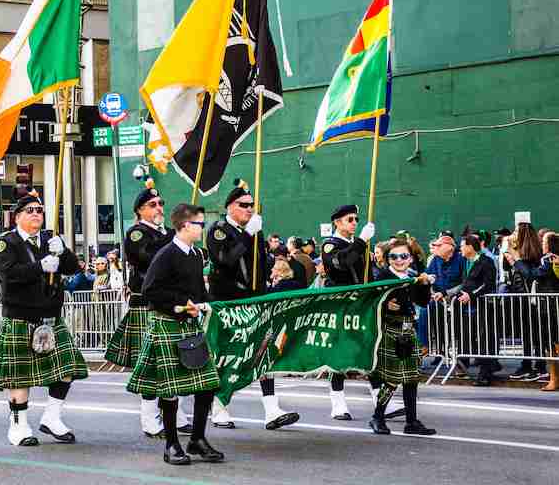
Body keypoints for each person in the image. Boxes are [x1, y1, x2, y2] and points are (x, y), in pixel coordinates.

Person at [0, 189, 88, 446]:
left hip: (51, 315)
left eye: (40, 210)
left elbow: (74, 268)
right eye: (30, 210)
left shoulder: (50, 239)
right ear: (17, 217)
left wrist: (63, 252)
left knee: (68, 368)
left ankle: (52, 417)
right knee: (21, 376)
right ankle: (18, 426)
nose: (37, 214)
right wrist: (39, 266)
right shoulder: (6, 242)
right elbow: (8, 273)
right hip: (22, 315)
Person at [127, 203, 224, 466]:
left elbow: (196, 290)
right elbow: (150, 290)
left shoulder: (195, 255)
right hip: (167, 323)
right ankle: (171, 444)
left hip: (189, 325)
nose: (203, 229)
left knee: (207, 384)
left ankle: (197, 439)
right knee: (170, 389)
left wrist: (204, 302)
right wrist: (179, 305)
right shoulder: (166, 254)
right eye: (199, 224)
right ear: (184, 226)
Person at [205, 179, 298, 431]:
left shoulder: (254, 232)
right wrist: (247, 235)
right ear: (230, 207)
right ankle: (219, 407)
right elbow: (225, 260)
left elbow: (259, 267)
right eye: (243, 205)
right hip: (230, 303)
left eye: (252, 205)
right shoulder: (219, 230)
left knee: (264, 350)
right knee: (229, 355)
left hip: (255, 301)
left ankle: (271, 408)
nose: (249, 209)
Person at [105, 179, 184, 438]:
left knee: (174, 362)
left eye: (161, 203)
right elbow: (151, 260)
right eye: (152, 205)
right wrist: (175, 239)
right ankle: (149, 418)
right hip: (147, 305)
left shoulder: (166, 234)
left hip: (171, 303)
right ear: (140, 210)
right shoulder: (137, 233)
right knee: (151, 365)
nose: (159, 207)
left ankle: (177, 414)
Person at [367, 239, 437, 435]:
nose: (399, 260)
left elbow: (422, 302)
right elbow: (369, 302)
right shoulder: (382, 277)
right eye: (394, 256)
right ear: (388, 259)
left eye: (404, 256)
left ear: (411, 258)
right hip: (390, 331)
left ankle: (411, 422)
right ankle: (377, 417)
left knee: (412, 379)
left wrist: (424, 285)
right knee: (391, 379)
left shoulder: (412, 276)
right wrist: (384, 304)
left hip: (408, 330)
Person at [321, 204, 383, 421]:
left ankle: (380, 399)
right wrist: (361, 241)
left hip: (362, 304)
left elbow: (368, 276)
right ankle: (337, 402)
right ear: (337, 222)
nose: (355, 223)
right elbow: (342, 263)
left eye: (356, 219)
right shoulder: (330, 245)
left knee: (369, 348)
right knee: (339, 353)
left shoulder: (359, 245)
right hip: (342, 306)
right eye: (350, 219)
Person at [437, 234, 500, 386]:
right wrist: (446, 293)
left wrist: (471, 295)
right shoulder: (466, 262)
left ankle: (485, 374)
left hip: (485, 307)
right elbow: (463, 284)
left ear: (471, 247)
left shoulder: (486, 261)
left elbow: (488, 284)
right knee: (470, 337)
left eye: (463, 245)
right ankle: (484, 367)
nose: (461, 248)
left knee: (486, 339)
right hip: (469, 309)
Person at [504, 223, 545, 381]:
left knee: (537, 333)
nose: (512, 235)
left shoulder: (533, 254)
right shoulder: (516, 253)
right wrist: (508, 256)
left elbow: (529, 275)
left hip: (532, 299)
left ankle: (539, 366)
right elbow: (509, 271)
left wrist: (517, 260)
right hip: (520, 298)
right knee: (526, 333)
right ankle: (526, 364)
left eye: (515, 232)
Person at [536, 232, 559, 391]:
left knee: (552, 344)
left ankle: (554, 379)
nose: (541, 243)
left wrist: (516, 261)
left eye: (544, 241)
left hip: (552, 306)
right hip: (548, 306)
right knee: (550, 345)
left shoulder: (548, 259)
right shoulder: (547, 259)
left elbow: (536, 274)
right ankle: (554, 379)